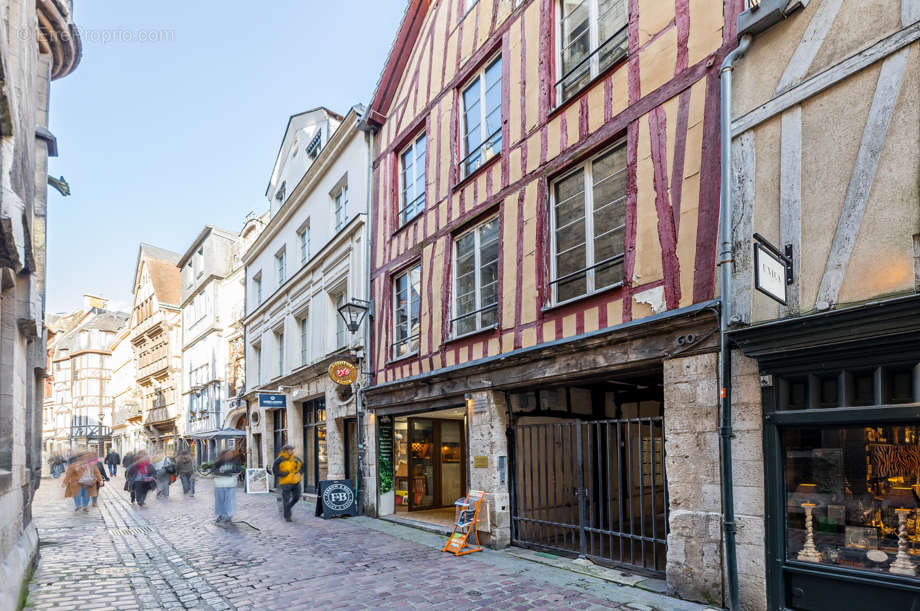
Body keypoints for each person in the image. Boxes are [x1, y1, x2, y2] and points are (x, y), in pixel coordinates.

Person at [270, 444, 304, 522]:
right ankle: (287, 516)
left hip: (296, 481)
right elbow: (275, 471)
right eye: (290, 449)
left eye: (292, 449)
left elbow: (302, 466)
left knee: (297, 497)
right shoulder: (279, 460)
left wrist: (299, 473)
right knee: (286, 499)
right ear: (285, 450)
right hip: (285, 482)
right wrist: (283, 474)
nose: (292, 451)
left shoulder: (296, 458)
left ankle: (287, 508)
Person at [211, 448, 242, 523]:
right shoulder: (218, 462)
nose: (229, 455)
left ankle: (229, 515)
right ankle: (220, 515)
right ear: (223, 455)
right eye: (227, 454)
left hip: (230, 484)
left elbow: (237, 469)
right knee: (220, 500)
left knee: (229, 500)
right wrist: (225, 472)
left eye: (230, 454)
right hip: (219, 484)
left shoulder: (235, 461)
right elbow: (214, 471)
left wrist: (224, 471)